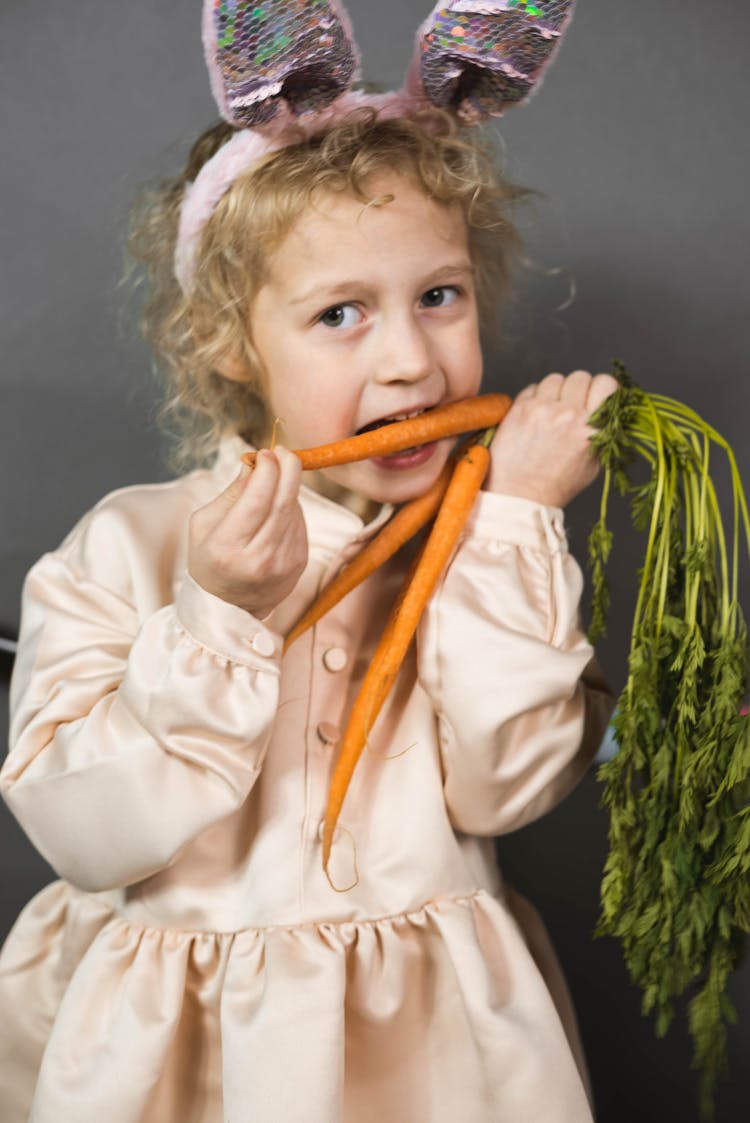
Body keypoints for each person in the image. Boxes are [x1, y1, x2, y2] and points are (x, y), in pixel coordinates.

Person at [0, 3, 617, 1120]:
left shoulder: (488, 540)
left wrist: (519, 519)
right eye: (341, 314)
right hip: (174, 1052)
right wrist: (218, 618)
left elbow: (507, 782)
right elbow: (82, 833)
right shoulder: (128, 542)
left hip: (431, 1045)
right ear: (233, 340)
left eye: (440, 296)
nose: (411, 366)